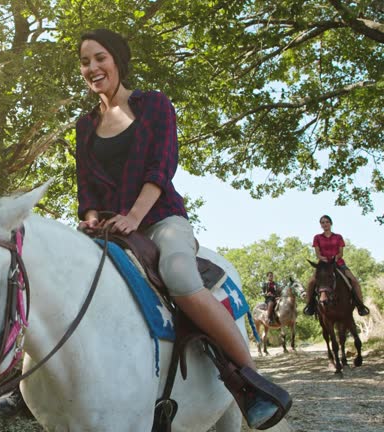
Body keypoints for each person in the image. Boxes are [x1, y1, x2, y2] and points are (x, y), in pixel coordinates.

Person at [73, 28, 289, 429]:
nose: (92, 67)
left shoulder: (154, 105)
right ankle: (30, 379)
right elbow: (85, 186)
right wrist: (89, 217)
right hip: (106, 230)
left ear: (117, 59)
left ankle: (250, 381)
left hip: (158, 220)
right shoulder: (84, 126)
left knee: (178, 275)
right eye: (85, 61)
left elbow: (161, 166)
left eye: (99, 57)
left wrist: (134, 218)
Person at [303, 215, 369, 316]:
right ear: (321, 225)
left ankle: (360, 306)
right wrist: (322, 258)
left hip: (338, 263)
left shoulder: (338, 237)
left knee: (354, 281)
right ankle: (310, 306)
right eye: (323, 222)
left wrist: (336, 258)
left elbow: (341, 253)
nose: (325, 224)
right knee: (311, 282)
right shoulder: (317, 237)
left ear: (331, 223)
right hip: (323, 266)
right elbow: (317, 254)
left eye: (327, 222)